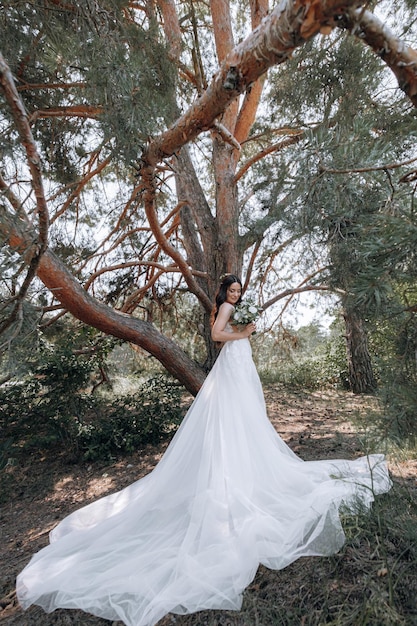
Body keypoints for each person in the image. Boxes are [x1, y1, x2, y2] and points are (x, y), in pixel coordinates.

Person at [16, 274, 391, 626]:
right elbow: (217, 334)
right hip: (232, 364)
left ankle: (244, 470)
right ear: (224, 292)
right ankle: (236, 474)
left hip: (239, 366)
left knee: (246, 419)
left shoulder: (236, 306)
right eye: (231, 290)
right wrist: (243, 330)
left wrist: (245, 331)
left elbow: (230, 334)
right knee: (235, 419)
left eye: (238, 291)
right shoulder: (227, 311)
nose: (235, 294)